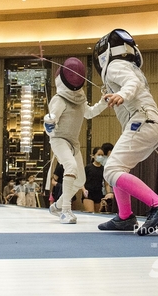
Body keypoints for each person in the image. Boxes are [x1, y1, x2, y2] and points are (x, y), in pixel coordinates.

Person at [93, 28, 158, 235]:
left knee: (111, 170)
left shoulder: (115, 66)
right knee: (119, 168)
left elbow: (131, 84)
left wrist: (122, 94)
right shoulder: (128, 66)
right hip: (148, 123)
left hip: (143, 121)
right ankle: (125, 217)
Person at [44, 57, 108, 224]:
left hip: (73, 143)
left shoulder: (79, 99)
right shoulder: (59, 99)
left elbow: (90, 113)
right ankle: (65, 211)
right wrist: (48, 123)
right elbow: (51, 121)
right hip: (59, 140)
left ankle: (57, 206)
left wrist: (103, 102)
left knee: (80, 180)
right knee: (70, 166)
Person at [82, 147, 105, 213]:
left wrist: (108, 193)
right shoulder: (88, 167)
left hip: (98, 193)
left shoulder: (103, 169)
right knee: (91, 212)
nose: (100, 156)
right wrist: (84, 190)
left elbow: (106, 183)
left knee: (98, 214)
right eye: (99, 154)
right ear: (93, 156)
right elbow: (81, 181)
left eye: (102, 155)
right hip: (89, 193)